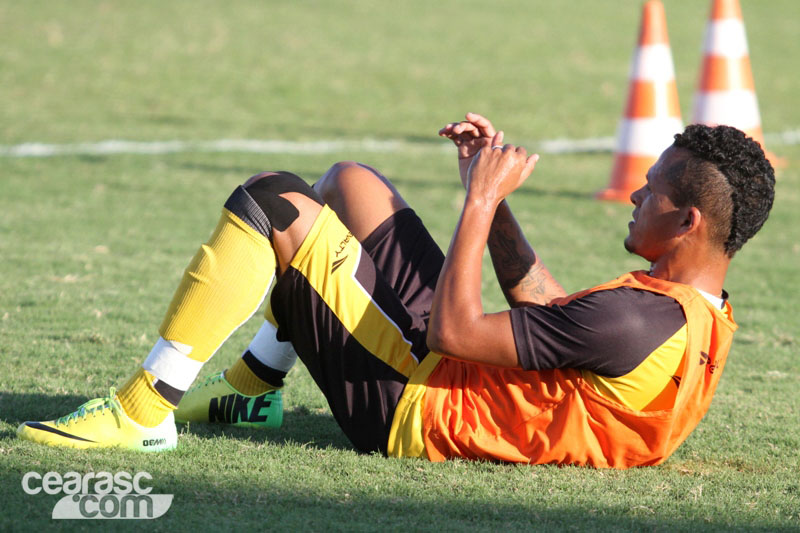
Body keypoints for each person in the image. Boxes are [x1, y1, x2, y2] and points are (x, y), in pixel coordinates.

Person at [17, 113, 775, 468]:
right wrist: (492, 199)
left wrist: (478, 202)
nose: (636, 193)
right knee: (354, 183)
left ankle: (144, 411)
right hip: (457, 378)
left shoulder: (636, 318)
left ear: (686, 220)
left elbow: (454, 332)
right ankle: (256, 388)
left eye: (650, 190)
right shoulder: (688, 310)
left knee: (272, 204)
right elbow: (548, 313)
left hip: (415, 406)